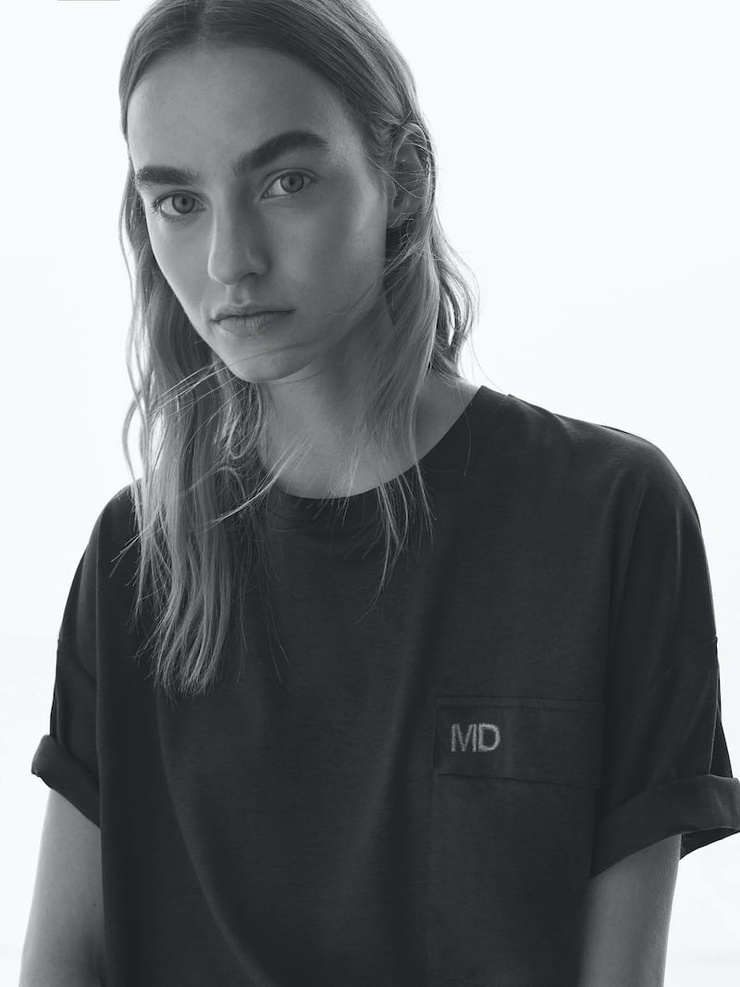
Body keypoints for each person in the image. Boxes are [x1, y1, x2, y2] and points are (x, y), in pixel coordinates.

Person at [21, 1, 740, 985]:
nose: (230, 260)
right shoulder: (134, 557)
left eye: (285, 181)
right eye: (178, 201)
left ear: (401, 177)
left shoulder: (608, 517)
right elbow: (64, 962)